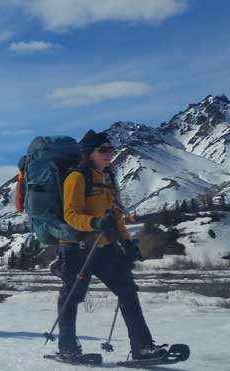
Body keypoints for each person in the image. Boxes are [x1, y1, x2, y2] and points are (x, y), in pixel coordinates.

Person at [54, 130, 167, 361]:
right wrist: (94, 222)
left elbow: (116, 216)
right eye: (103, 150)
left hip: (104, 246)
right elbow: (71, 215)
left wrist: (127, 242)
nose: (109, 154)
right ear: (89, 153)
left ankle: (142, 348)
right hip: (76, 247)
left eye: (111, 149)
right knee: (72, 296)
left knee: (128, 291)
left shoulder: (108, 179)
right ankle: (67, 347)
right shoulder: (76, 178)